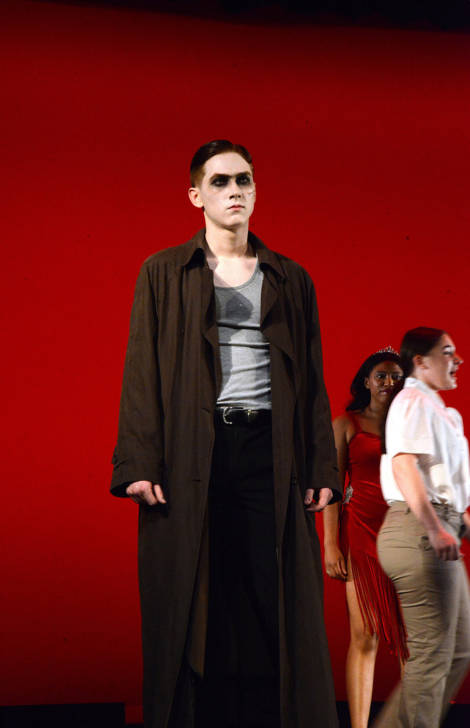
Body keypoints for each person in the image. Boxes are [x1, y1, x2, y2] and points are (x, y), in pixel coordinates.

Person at [110, 139, 342, 728]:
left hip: (271, 450)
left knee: (272, 595)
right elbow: (141, 369)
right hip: (197, 448)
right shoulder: (164, 272)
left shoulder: (291, 278)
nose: (234, 191)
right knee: (198, 594)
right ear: (196, 196)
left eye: (244, 180)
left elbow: (312, 379)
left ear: (255, 190)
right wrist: (139, 462)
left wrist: (321, 467)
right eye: (220, 182)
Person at [374, 327, 470, 727]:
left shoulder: (438, 409)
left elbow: (439, 477)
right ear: (421, 361)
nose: (457, 360)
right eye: (447, 352)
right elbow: (403, 465)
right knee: (432, 655)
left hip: (436, 524)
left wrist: (459, 517)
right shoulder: (412, 400)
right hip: (418, 530)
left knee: (458, 650)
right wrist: (434, 527)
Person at [323, 348, 408, 728]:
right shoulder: (346, 424)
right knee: (364, 636)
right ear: (366, 382)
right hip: (360, 534)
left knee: (412, 640)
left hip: (406, 534)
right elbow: (331, 489)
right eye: (382, 376)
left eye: (396, 376)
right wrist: (330, 544)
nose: (389, 382)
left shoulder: (413, 424)